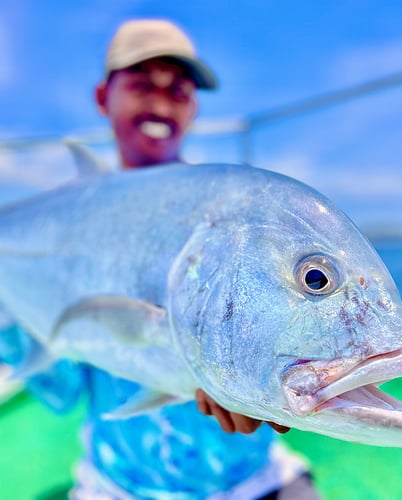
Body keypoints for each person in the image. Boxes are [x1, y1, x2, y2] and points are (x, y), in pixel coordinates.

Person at [0, 19, 320, 499]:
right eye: (141, 84)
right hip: (118, 485)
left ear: (193, 107)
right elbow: (62, 392)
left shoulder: (234, 223)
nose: (160, 102)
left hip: (253, 479)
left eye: (179, 90)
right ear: (102, 97)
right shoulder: (65, 225)